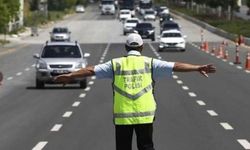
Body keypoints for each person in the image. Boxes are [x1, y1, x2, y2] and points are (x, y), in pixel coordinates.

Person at [54, 33, 216, 150]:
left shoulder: (115, 64)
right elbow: (175, 66)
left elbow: (91, 70)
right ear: (142, 47)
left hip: (122, 117)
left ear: (126, 47)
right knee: (146, 147)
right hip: (145, 115)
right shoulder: (150, 63)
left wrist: (71, 75)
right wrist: (197, 67)